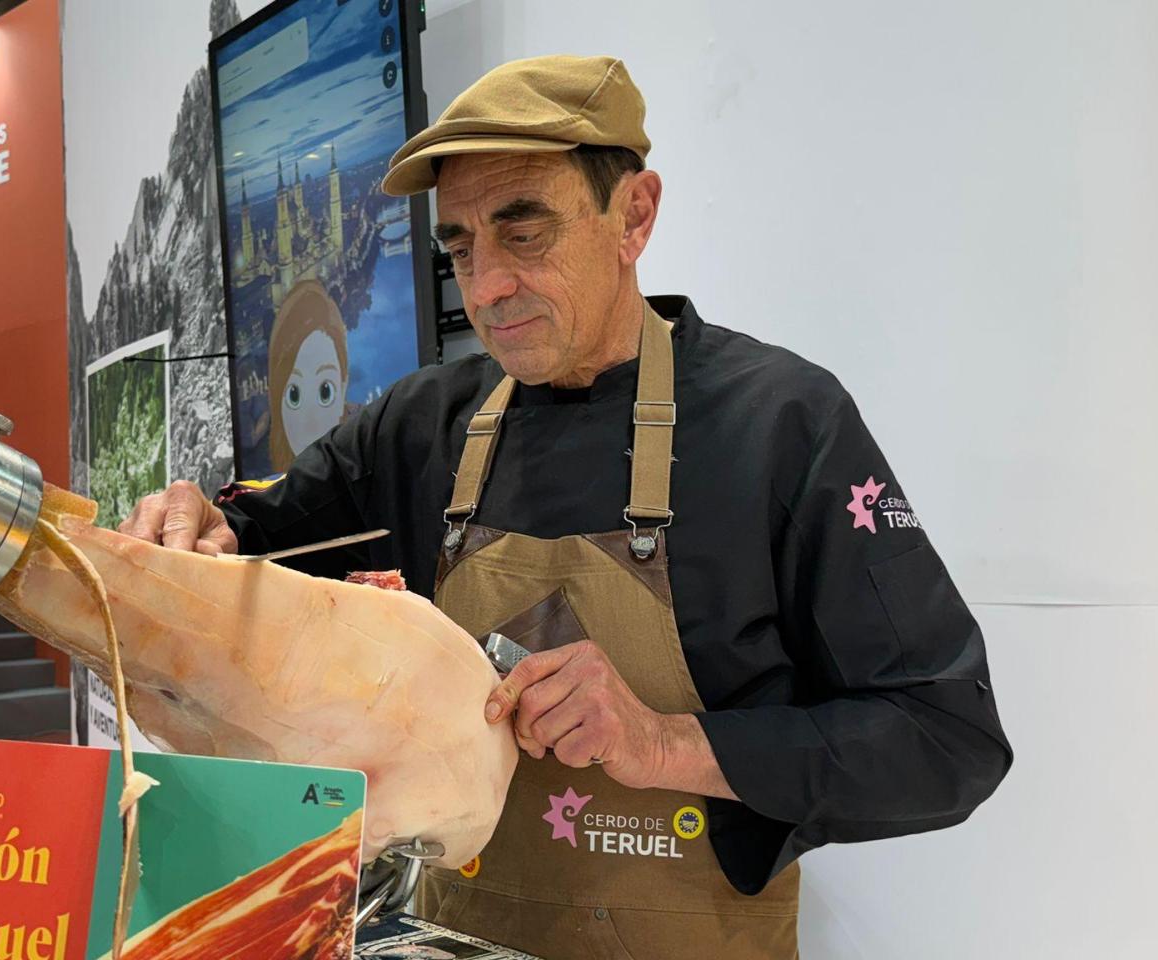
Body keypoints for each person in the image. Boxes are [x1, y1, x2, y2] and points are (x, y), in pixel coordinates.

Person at [121, 55, 1011, 958]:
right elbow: (247, 551)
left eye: (524, 233)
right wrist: (197, 527)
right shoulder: (421, 425)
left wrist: (661, 744)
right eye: (461, 248)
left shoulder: (781, 422)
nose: (485, 287)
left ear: (635, 215)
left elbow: (946, 738)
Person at [266, 279, 350, 475]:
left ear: (343, 388)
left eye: (325, 392)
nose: (310, 423)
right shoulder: (261, 489)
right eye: (293, 395)